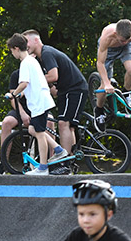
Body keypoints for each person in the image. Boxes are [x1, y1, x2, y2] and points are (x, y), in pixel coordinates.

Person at [25, 30, 89, 175]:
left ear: (36, 40)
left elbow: (53, 76)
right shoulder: (41, 58)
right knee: (69, 127)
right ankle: (70, 161)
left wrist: (34, 81)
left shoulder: (46, 53)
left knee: (63, 123)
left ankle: (64, 162)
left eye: (26, 42)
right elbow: (52, 83)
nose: (25, 46)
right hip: (65, 91)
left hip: (74, 89)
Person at [4, 33, 65, 175]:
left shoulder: (25, 63)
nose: (11, 53)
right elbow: (31, 84)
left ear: (16, 48)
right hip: (40, 101)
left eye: (11, 50)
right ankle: (58, 149)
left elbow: (24, 83)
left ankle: (43, 168)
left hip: (39, 103)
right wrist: (20, 93)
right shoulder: (32, 62)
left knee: (39, 132)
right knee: (33, 130)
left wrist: (12, 94)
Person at [0, 69, 31, 144]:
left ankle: (53, 154)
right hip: (20, 108)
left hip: (38, 108)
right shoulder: (16, 74)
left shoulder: (40, 73)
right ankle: (3, 155)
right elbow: (13, 98)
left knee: (50, 122)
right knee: (6, 122)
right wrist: (22, 114)